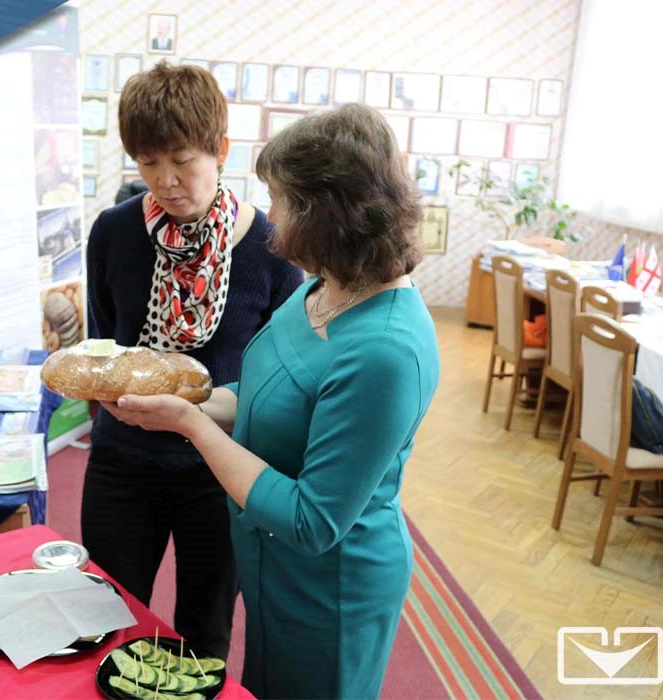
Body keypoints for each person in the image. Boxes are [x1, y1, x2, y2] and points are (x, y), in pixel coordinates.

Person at [103, 103, 440, 699]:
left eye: (282, 201)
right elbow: (268, 393)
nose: (273, 217)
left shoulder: (387, 351)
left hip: (330, 590)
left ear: (327, 214)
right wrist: (194, 401)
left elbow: (312, 521)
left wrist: (191, 425)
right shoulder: (327, 286)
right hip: (273, 569)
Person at [83, 62, 303, 660]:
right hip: (123, 460)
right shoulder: (113, 232)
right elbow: (104, 340)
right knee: (105, 618)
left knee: (204, 632)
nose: (165, 180)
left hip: (220, 468)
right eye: (147, 162)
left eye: (182, 160)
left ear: (221, 150)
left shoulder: (273, 250)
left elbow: (276, 379)